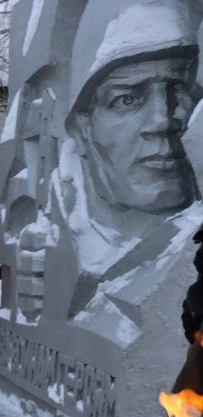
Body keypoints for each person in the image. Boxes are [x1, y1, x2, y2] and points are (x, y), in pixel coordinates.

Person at [54, 0, 201, 322]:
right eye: (128, 99)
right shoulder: (52, 230)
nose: (163, 120)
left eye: (178, 89)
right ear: (82, 127)